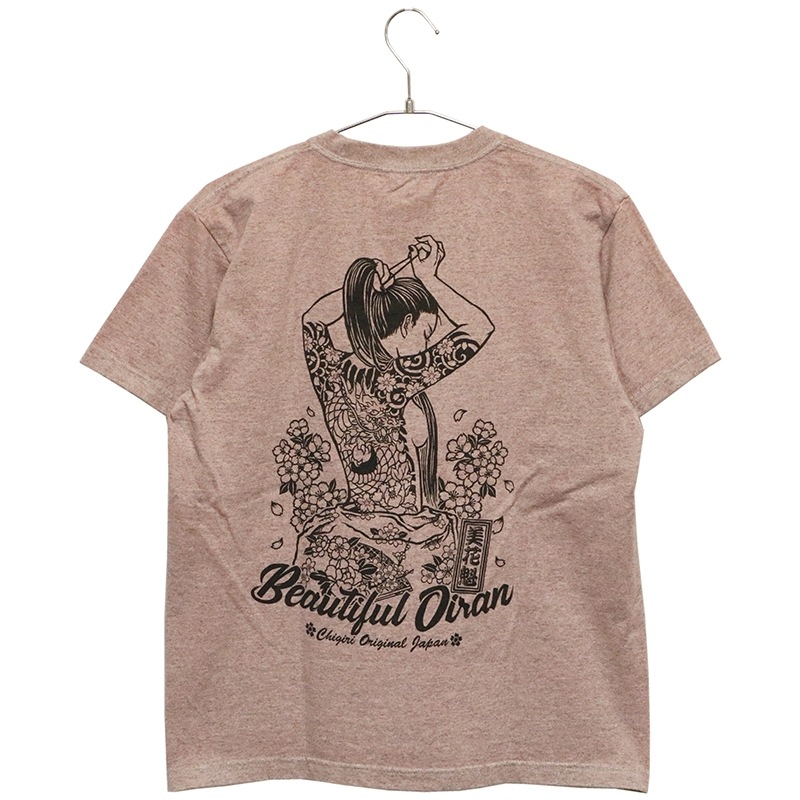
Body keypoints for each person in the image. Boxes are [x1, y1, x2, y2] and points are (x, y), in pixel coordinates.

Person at [295, 234, 494, 599]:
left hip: (356, 521)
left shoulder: (332, 374)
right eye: (427, 333)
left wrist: (364, 288)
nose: (428, 343)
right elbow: (478, 327)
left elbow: (313, 319)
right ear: (405, 325)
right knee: (468, 573)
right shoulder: (397, 378)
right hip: (406, 533)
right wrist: (428, 277)